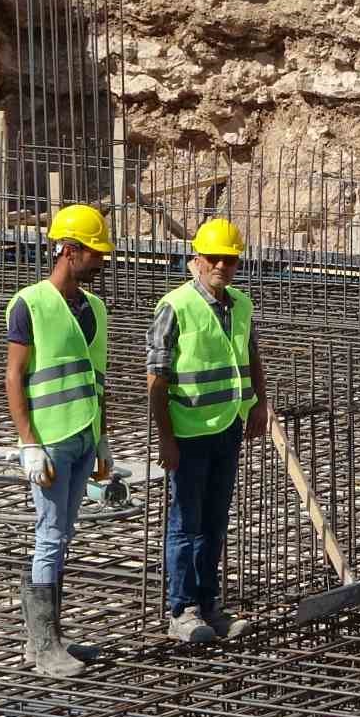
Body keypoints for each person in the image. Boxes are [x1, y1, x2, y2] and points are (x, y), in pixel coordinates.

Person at [5, 204, 115, 678]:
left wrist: (103, 439)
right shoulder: (30, 303)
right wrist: (28, 442)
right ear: (69, 252)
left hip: (83, 436)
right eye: (94, 253)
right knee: (49, 537)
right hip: (49, 441)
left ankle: (50, 636)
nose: (102, 262)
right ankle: (42, 644)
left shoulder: (94, 308)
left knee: (63, 536)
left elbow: (98, 378)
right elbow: (14, 376)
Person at [147, 218, 267, 642]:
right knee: (186, 523)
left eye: (230, 259)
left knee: (214, 522)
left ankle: (209, 605)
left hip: (227, 427)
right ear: (195, 259)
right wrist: (166, 439)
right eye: (213, 258)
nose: (221, 265)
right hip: (188, 433)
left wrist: (259, 404)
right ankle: (182, 609)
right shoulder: (175, 306)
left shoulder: (241, 304)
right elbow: (156, 381)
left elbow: (251, 355)